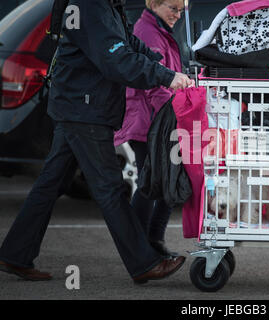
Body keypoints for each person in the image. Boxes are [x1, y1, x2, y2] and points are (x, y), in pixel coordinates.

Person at [0, 0, 194, 284]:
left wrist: (158, 61)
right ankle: (143, 263)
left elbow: (128, 44)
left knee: (50, 184)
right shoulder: (90, 6)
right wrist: (165, 77)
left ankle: (15, 253)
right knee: (110, 188)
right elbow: (116, 60)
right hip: (84, 109)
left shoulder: (107, 5)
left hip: (78, 106)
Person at [114, 0, 184, 258]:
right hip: (148, 121)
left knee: (164, 181)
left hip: (153, 119)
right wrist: (174, 116)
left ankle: (151, 241)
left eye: (181, 9)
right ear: (153, 4)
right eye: (173, 8)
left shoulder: (158, 29)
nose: (178, 15)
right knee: (152, 184)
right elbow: (154, 83)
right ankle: (140, 246)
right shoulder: (148, 32)